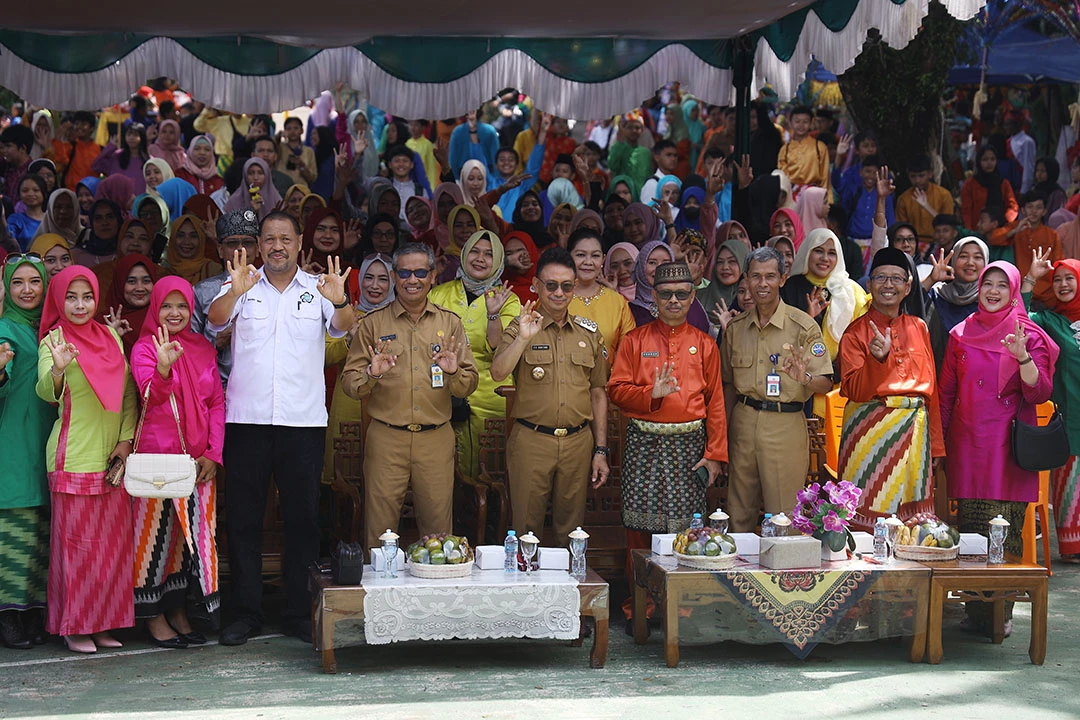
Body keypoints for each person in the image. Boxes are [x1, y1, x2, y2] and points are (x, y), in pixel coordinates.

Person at [207, 211, 356, 646]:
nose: (277, 246)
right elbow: (215, 320)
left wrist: (340, 301)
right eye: (269, 239)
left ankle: (297, 612)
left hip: (302, 423)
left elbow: (343, 328)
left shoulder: (318, 287)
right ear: (259, 245)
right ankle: (246, 612)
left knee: (303, 520)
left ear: (299, 242)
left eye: (285, 239)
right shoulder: (242, 283)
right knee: (244, 520)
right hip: (247, 421)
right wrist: (235, 292)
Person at [940, 261, 1057, 634]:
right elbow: (946, 394)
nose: (992, 291)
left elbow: (1039, 393)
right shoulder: (960, 333)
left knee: (1004, 530)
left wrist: (1023, 356)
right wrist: (938, 446)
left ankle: (1000, 615)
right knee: (971, 529)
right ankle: (977, 613)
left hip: (1008, 448)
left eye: (1001, 285)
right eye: (987, 283)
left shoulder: (1028, 334)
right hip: (967, 444)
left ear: (1014, 291)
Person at [340, 242, 478, 551]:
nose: (412, 280)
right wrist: (371, 374)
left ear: (432, 276)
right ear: (394, 277)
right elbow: (350, 383)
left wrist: (454, 372)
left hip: (435, 438)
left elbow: (468, 385)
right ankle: (379, 584)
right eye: (404, 273)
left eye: (420, 273)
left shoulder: (450, 323)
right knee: (380, 533)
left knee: (439, 536)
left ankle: (434, 583)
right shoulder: (373, 323)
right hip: (387, 438)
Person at [36, 266, 139, 653]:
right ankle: (75, 625)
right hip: (73, 457)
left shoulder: (110, 336)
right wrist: (58, 369)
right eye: (71, 297)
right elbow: (45, 392)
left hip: (111, 459)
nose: (80, 305)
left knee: (110, 549)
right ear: (58, 300)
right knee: (77, 550)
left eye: (87, 297)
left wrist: (126, 442)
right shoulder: (53, 340)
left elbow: (128, 394)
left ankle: (103, 623)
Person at [130, 277, 225, 648]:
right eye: (167, 306)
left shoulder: (201, 347)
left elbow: (216, 403)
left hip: (197, 463)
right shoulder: (145, 347)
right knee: (154, 543)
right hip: (157, 460)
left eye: (182, 306)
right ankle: (152, 616)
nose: (175, 313)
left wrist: (213, 453)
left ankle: (178, 609)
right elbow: (149, 395)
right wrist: (164, 369)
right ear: (156, 308)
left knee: (188, 545)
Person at [490, 247, 610, 539]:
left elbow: (598, 393)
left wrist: (600, 450)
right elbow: (498, 372)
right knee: (525, 531)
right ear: (536, 285)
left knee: (571, 532)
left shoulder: (588, 333)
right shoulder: (520, 326)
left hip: (578, 442)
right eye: (551, 285)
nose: (559, 293)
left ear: (574, 287)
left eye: (567, 286)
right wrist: (523, 338)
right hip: (532, 440)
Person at [609, 260, 728, 554]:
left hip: (689, 447)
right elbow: (616, 390)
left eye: (681, 293)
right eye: (666, 294)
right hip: (644, 443)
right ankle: (639, 586)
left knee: (688, 531)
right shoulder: (634, 341)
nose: (674, 300)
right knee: (639, 528)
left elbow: (715, 403)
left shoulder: (705, 344)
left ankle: (682, 586)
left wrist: (714, 455)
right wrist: (651, 394)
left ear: (692, 296)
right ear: (654, 295)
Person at [721, 246, 834, 531]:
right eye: (756, 276)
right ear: (746, 280)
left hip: (785, 423)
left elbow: (826, 382)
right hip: (743, 423)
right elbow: (728, 386)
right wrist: (721, 437)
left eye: (770, 276)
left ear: (783, 279)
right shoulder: (735, 328)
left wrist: (804, 377)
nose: (762, 284)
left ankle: (785, 562)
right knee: (738, 512)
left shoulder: (803, 326)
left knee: (784, 516)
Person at [838, 247, 945, 516]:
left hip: (915, 432)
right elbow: (853, 390)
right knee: (867, 516)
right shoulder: (854, 333)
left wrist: (936, 445)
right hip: (870, 434)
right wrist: (876, 361)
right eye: (881, 278)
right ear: (870, 285)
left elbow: (931, 391)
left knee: (914, 520)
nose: (888, 285)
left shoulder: (919, 327)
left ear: (908, 287)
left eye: (896, 278)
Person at [428, 229, 519, 479]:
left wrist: (493, 315)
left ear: (498, 260)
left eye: (489, 254)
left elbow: (501, 348)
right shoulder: (438, 294)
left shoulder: (509, 300)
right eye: (475, 251)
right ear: (464, 254)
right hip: (443, 394)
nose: (480, 259)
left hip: (492, 396)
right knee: (444, 472)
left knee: (493, 472)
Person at [0, 254, 52, 649]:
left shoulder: (51, 328)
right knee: (13, 530)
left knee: (41, 532)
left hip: (48, 437)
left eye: (35, 281)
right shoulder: (4, 329)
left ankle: (33, 612)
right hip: (14, 440)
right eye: (17, 282)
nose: (28, 289)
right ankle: (8, 617)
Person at [1023, 255, 1080, 561]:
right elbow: (1017, 316)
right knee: (1070, 483)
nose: (1063, 284)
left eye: (1069, 278)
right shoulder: (1050, 322)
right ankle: (1073, 546)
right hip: (1071, 422)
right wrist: (1031, 278)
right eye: (1057, 280)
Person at [191, 209, 261, 388]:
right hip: (216, 390)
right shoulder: (202, 291)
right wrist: (215, 342)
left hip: (262, 390)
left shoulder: (272, 288)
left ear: (258, 248)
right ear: (220, 250)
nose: (240, 249)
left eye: (247, 242)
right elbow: (189, 348)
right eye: (232, 243)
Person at [781, 227, 871, 361]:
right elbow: (781, 336)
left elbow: (863, 337)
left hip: (844, 368)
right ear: (807, 252)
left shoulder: (852, 291)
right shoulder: (790, 288)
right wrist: (808, 317)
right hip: (798, 365)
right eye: (818, 251)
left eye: (832, 253)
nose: (825, 258)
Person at [567, 228, 636, 354]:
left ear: (603, 260)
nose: (588, 262)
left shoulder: (617, 302)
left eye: (595, 256)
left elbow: (629, 352)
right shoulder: (555, 297)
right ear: (568, 257)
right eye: (581, 255)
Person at [989, 191, 1063, 307]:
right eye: (1030, 207)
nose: (1034, 211)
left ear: (1044, 211)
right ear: (1023, 210)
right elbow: (993, 239)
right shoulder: (1015, 227)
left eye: (1038, 208)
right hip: (1017, 291)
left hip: (1046, 294)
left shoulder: (1052, 234)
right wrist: (1015, 231)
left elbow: (1058, 263)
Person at [926, 236, 989, 369]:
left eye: (977, 257)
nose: (970, 262)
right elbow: (908, 304)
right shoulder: (937, 295)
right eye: (963, 256)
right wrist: (931, 279)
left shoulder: (991, 300)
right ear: (954, 260)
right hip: (939, 372)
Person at [629, 239, 710, 332]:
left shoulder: (688, 300)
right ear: (641, 267)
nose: (659, 268)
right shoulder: (629, 310)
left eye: (666, 263)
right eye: (652, 262)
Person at [97, 252, 158, 357]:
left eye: (146, 281)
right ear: (119, 284)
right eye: (131, 281)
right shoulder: (103, 322)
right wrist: (111, 337)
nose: (140, 288)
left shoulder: (163, 318)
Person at [895, 155, 955, 248]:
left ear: (930, 174)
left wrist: (926, 206)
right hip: (913, 243)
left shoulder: (944, 195)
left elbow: (948, 225)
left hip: (940, 242)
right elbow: (901, 228)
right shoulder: (904, 199)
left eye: (921, 176)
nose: (917, 180)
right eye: (913, 176)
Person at [961, 145, 1018, 229]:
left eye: (992, 159)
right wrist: (969, 232)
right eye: (985, 159)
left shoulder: (1003, 183)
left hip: (1000, 230)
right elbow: (966, 211)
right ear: (979, 161)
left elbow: (1013, 207)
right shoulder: (970, 184)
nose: (989, 163)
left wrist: (1005, 223)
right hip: (977, 229)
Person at [776, 106, 830, 195]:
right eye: (797, 121)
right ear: (790, 123)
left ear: (811, 123)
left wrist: (826, 199)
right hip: (791, 196)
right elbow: (782, 177)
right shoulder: (785, 150)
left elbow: (825, 178)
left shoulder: (820, 147)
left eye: (805, 122)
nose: (801, 125)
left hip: (814, 195)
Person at [161, 215, 222, 285]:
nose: (186, 242)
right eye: (180, 235)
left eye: (193, 236)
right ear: (173, 238)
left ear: (201, 239)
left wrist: (216, 239)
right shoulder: (162, 274)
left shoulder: (213, 270)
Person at [91, 123, 150, 194]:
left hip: (141, 199)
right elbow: (96, 166)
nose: (131, 137)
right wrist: (110, 147)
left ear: (142, 137)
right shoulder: (116, 156)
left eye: (135, 135)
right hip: (117, 198)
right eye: (129, 134)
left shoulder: (149, 160)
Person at [6, 175, 48, 249]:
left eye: (35, 190)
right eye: (25, 191)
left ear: (44, 193)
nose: (30, 194)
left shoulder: (51, 219)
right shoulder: (15, 220)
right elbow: (9, 242)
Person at [276, 117, 317, 187]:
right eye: (289, 129)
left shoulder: (309, 151)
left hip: (301, 188)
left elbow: (313, 177)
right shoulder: (280, 147)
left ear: (302, 130)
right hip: (282, 188)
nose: (292, 131)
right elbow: (271, 143)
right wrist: (279, 135)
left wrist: (302, 166)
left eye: (296, 128)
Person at [502, 230, 539, 304]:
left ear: (532, 251)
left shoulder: (546, 281)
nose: (516, 259)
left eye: (522, 253)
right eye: (509, 254)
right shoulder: (499, 287)